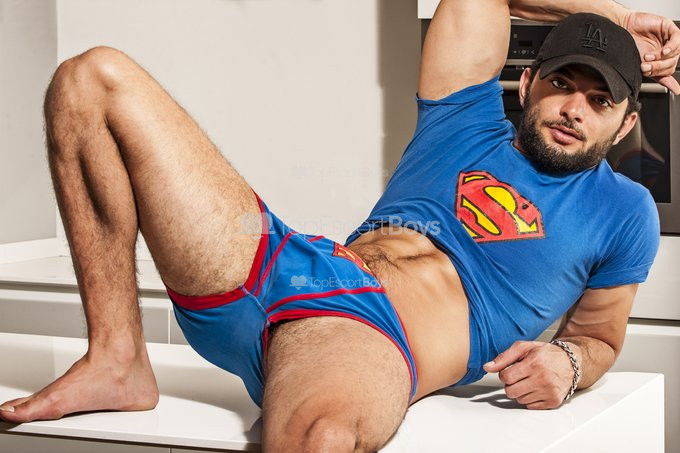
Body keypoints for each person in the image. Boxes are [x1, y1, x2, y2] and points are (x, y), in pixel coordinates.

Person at [1, 0, 678, 451]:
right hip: (281, 259)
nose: (574, 109)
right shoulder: (463, 116)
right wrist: (616, 21)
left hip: (368, 333)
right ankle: (117, 355)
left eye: (600, 100)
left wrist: (568, 362)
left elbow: (598, 336)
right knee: (90, 78)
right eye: (562, 84)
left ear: (625, 123)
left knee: (318, 439)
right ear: (527, 84)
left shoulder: (624, 211)